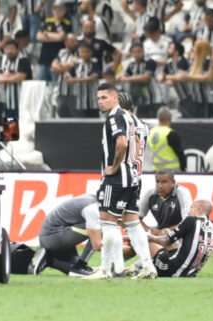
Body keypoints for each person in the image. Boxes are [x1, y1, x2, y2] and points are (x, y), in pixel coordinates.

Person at [85, 83, 156, 279]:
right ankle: (148, 266)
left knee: (108, 223)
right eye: (98, 98)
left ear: (117, 100)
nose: (100, 102)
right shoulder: (139, 123)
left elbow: (122, 143)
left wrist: (114, 167)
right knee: (132, 223)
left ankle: (110, 269)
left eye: (104, 98)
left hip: (118, 177)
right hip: (135, 176)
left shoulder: (116, 118)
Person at [146, 199, 213, 278]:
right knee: (166, 232)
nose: (188, 211)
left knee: (146, 240)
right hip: (191, 273)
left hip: (171, 269)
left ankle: (142, 266)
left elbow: (166, 241)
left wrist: (147, 236)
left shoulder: (190, 220)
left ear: (199, 209)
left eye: (191, 208)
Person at [29, 194, 101, 277]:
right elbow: (97, 243)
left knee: (73, 268)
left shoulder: (91, 200)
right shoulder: (91, 207)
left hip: (53, 236)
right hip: (54, 236)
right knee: (98, 227)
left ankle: (49, 259)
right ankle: (80, 266)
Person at [174, 39, 213, 117]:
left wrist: (187, 77)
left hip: (207, 99)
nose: (193, 49)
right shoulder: (194, 62)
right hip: (197, 99)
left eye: (195, 47)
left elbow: (208, 78)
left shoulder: (208, 61)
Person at [117, 43, 161, 118]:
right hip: (140, 99)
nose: (137, 54)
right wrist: (120, 77)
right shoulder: (131, 65)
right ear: (131, 53)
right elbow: (125, 76)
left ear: (143, 51)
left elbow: (145, 78)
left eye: (139, 51)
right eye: (134, 52)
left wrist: (126, 78)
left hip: (153, 98)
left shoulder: (150, 62)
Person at [37, 0, 71, 82]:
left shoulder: (66, 23)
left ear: (64, 11)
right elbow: (39, 36)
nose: (57, 11)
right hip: (44, 58)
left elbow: (61, 37)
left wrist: (47, 35)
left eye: (60, 9)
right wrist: (55, 36)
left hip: (57, 59)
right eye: (55, 9)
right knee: (42, 83)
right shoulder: (47, 21)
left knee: (55, 83)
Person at [0, 39, 32, 119]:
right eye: (7, 49)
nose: (9, 51)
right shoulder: (2, 60)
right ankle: (11, 132)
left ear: (17, 49)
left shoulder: (23, 60)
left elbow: (21, 77)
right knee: (9, 125)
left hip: (21, 99)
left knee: (20, 122)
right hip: (5, 100)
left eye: (12, 49)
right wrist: (12, 76)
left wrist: (5, 78)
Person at [65, 42, 101, 117]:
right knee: (79, 120)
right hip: (78, 97)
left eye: (86, 52)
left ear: (91, 53)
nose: (84, 54)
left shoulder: (94, 62)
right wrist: (69, 79)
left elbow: (93, 78)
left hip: (92, 98)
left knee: (93, 119)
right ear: (79, 52)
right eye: (82, 52)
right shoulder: (76, 63)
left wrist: (75, 80)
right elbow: (67, 77)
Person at [147, 107, 186, 172]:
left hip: (156, 171)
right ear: (170, 119)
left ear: (158, 118)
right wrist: (183, 168)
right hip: (172, 171)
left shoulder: (151, 133)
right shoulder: (170, 134)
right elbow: (180, 154)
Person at [51, 33, 78, 117]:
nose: (75, 43)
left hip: (76, 90)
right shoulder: (61, 52)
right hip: (62, 88)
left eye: (76, 41)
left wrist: (61, 66)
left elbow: (76, 66)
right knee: (60, 112)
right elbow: (53, 68)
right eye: (72, 41)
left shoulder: (80, 52)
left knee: (74, 113)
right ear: (66, 42)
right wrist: (69, 65)